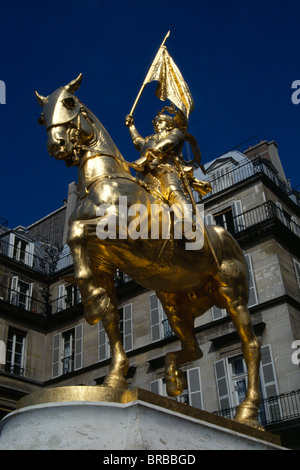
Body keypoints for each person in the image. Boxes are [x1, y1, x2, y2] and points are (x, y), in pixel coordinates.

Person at [125, 110, 211, 217]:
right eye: (155, 122)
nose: (157, 124)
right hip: (145, 175)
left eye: (160, 121)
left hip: (166, 170)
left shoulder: (176, 133)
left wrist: (148, 156)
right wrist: (131, 127)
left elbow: (168, 143)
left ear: (168, 123)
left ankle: (188, 220)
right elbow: (138, 142)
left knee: (172, 191)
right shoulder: (150, 139)